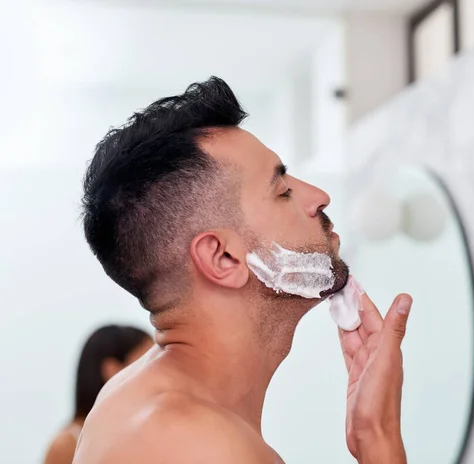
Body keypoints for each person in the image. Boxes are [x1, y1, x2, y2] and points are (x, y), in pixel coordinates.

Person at [75, 77, 413, 464]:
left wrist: (373, 431)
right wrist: (379, 438)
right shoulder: (201, 445)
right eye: (282, 191)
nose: (320, 197)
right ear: (223, 258)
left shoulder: (138, 402)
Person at [44, 325, 153, 464]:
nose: (157, 372)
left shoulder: (140, 434)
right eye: (145, 363)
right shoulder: (67, 445)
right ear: (111, 370)